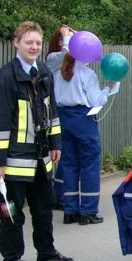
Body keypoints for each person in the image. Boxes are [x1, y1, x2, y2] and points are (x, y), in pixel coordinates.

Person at [0, 20, 74, 261]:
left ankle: (46, 254)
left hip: (41, 157)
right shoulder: (3, 80)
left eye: (37, 42)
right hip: (13, 162)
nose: (34, 47)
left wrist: (56, 143)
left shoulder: (44, 72)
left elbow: (52, 110)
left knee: (44, 208)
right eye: (29, 42)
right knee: (12, 213)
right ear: (16, 43)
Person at [54, 52, 119, 225]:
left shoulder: (59, 72)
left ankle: (70, 210)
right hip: (83, 119)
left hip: (63, 118)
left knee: (69, 164)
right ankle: (88, 211)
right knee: (90, 164)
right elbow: (96, 101)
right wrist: (109, 87)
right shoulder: (87, 74)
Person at [46, 25, 75, 209]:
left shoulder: (69, 60)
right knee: (64, 155)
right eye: (66, 39)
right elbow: (66, 53)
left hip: (69, 112)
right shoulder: (52, 58)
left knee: (68, 155)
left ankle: (61, 194)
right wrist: (67, 38)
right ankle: (58, 196)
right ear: (60, 41)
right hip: (58, 110)